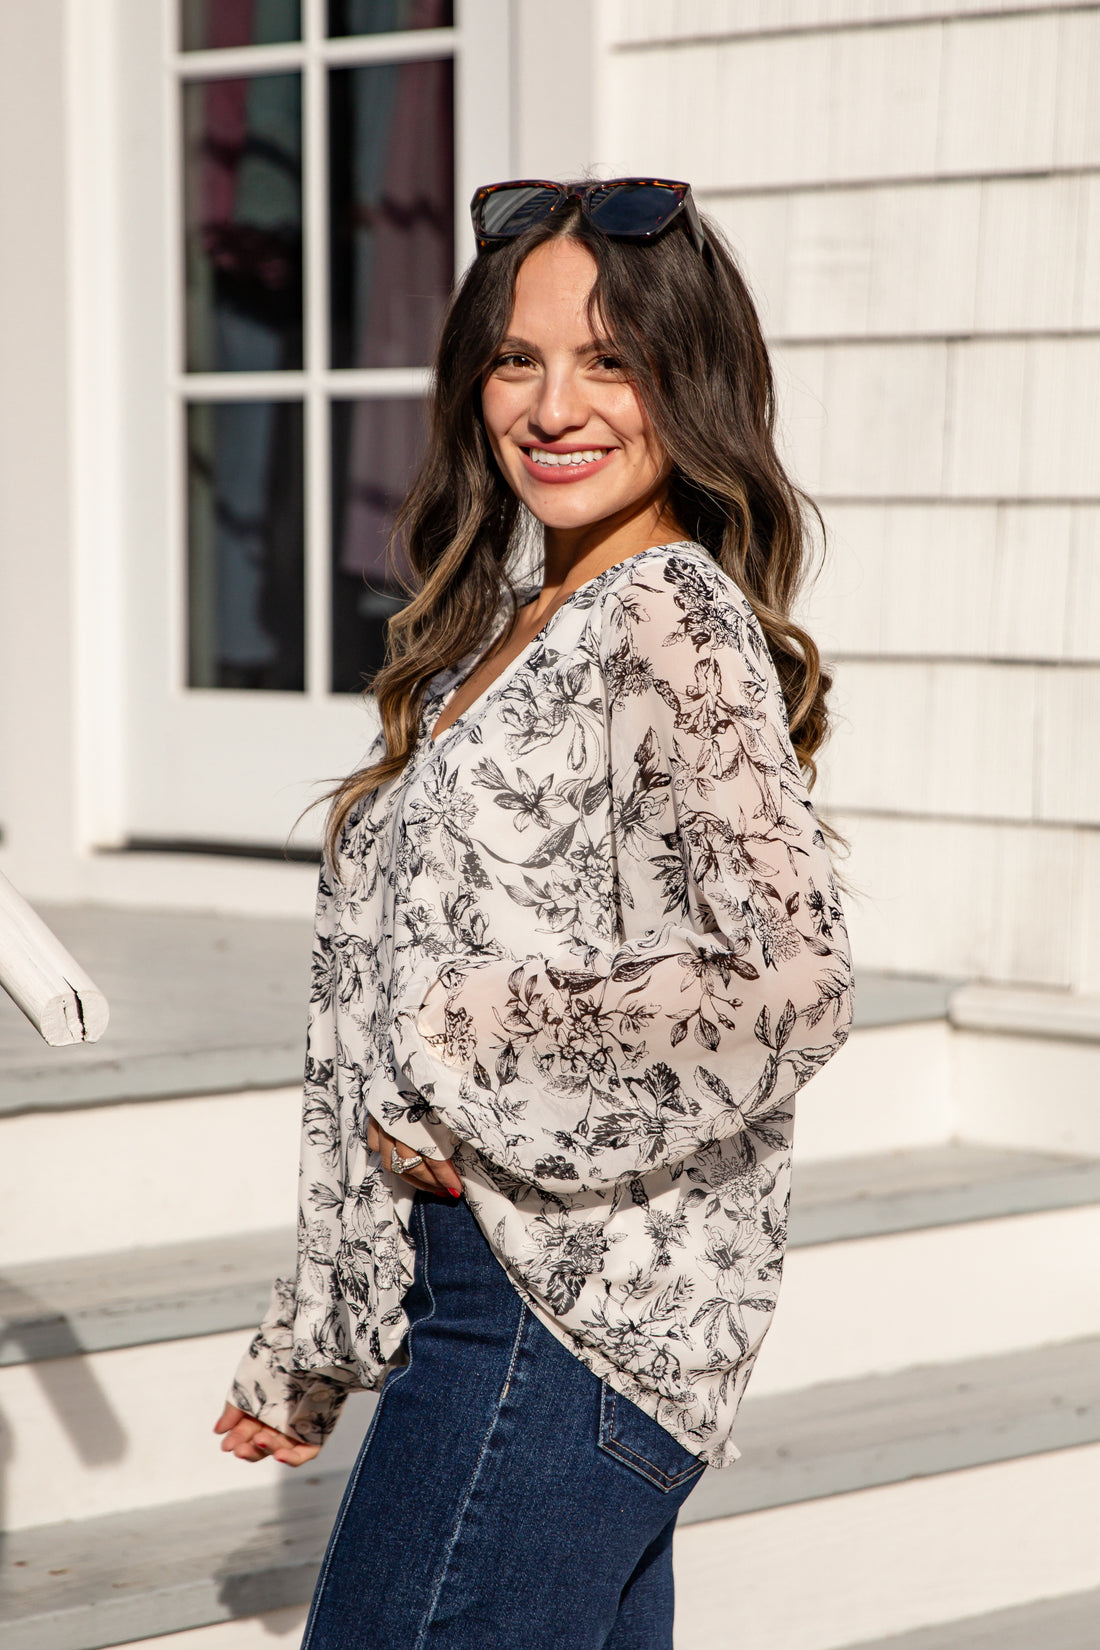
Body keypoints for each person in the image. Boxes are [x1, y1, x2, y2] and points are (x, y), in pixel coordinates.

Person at [214, 178, 854, 1650]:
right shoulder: (510, 626)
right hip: (504, 1309)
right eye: (517, 358)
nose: (554, 407)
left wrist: (465, 1045)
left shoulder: (667, 618)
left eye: (610, 361)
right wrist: (316, 1339)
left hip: (556, 1324)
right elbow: (370, 1015)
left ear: (688, 381)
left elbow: (794, 985)